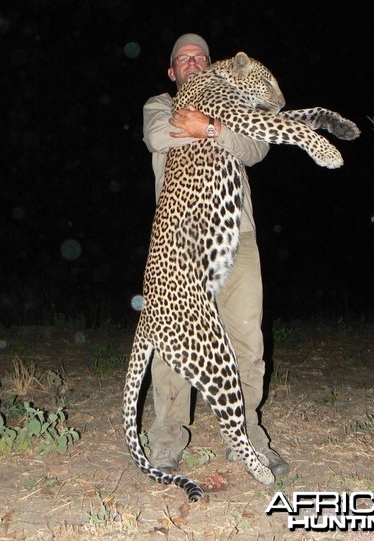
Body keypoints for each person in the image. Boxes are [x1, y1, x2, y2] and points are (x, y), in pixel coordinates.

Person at [142, 33, 289, 477]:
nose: (191, 62)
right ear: (172, 71)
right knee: (174, 342)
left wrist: (210, 128)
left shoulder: (234, 105)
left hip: (236, 232)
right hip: (181, 238)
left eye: (199, 57)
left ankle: (247, 437)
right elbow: (158, 137)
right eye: (182, 59)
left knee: (247, 338)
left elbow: (258, 148)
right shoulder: (158, 103)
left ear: (210, 64)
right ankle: (167, 440)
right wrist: (216, 129)